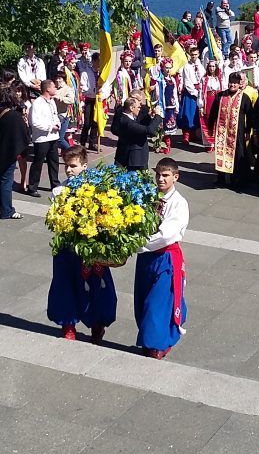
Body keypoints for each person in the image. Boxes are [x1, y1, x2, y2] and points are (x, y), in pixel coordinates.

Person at [47, 146, 116, 343]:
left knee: (97, 286)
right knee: (65, 285)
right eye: (66, 166)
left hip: (91, 248)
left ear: (84, 166)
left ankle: (98, 325)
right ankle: (68, 325)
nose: (68, 170)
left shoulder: (97, 190)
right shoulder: (59, 191)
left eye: (73, 166)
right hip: (67, 248)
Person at [134, 157, 188, 359]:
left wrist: (139, 244)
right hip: (146, 258)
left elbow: (167, 234)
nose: (161, 179)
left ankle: (157, 345)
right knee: (142, 299)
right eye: (158, 174)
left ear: (175, 177)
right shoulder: (148, 197)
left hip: (165, 258)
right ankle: (149, 340)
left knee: (157, 304)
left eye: (165, 175)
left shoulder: (179, 203)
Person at [0, 82, 29, 220]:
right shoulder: (14, 116)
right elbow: (24, 134)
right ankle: (7, 210)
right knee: (6, 181)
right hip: (8, 152)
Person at [207, 72, 253, 185]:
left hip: (238, 133)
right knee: (221, 154)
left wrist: (248, 130)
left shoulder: (244, 98)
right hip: (222, 132)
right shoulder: (220, 96)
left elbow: (251, 115)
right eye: (231, 83)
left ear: (239, 84)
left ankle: (236, 180)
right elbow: (213, 112)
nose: (232, 85)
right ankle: (221, 179)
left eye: (235, 83)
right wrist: (210, 127)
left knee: (238, 156)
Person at [27, 79, 61, 195]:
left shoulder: (52, 102)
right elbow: (34, 122)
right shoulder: (38, 103)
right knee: (38, 162)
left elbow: (55, 115)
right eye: (54, 87)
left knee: (54, 161)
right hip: (42, 139)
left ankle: (55, 184)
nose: (55, 89)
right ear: (47, 89)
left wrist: (57, 123)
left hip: (53, 137)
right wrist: (51, 127)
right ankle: (32, 187)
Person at [114, 95, 164, 170]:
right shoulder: (128, 123)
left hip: (130, 155)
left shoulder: (127, 117)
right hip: (135, 159)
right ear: (131, 108)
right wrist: (158, 116)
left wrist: (150, 117)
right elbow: (149, 131)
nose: (140, 109)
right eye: (138, 107)